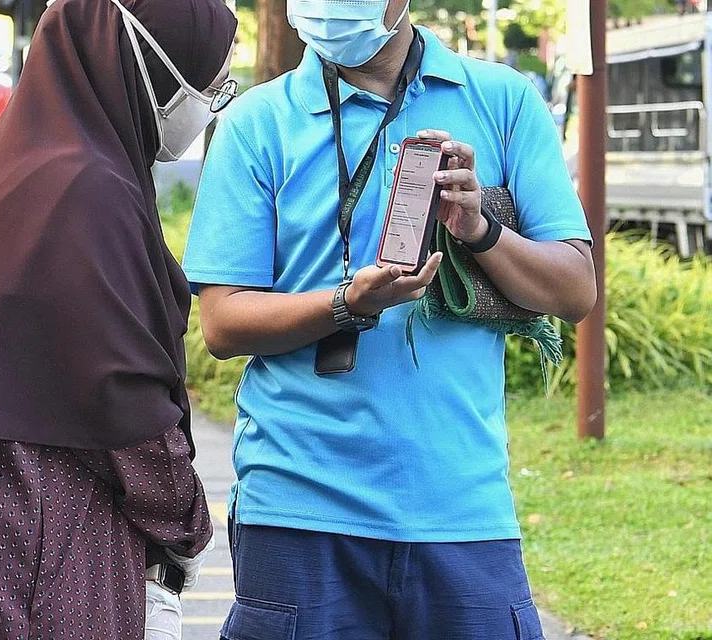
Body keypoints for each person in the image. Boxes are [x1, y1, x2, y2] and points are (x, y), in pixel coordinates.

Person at [183, 0, 596, 637]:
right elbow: (222, 322)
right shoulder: (255, 123)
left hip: (461, 507)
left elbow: (575, 288)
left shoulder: (503, 100)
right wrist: (347, 303)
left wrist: (481, 231)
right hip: (299, 505)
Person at [0, 0, 237, 638]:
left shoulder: (17, 167)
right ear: (149, 64)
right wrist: (187, 525)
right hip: (20, 536)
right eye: (206, 81)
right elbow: (125, 402)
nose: (211, 101)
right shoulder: (87, 192)